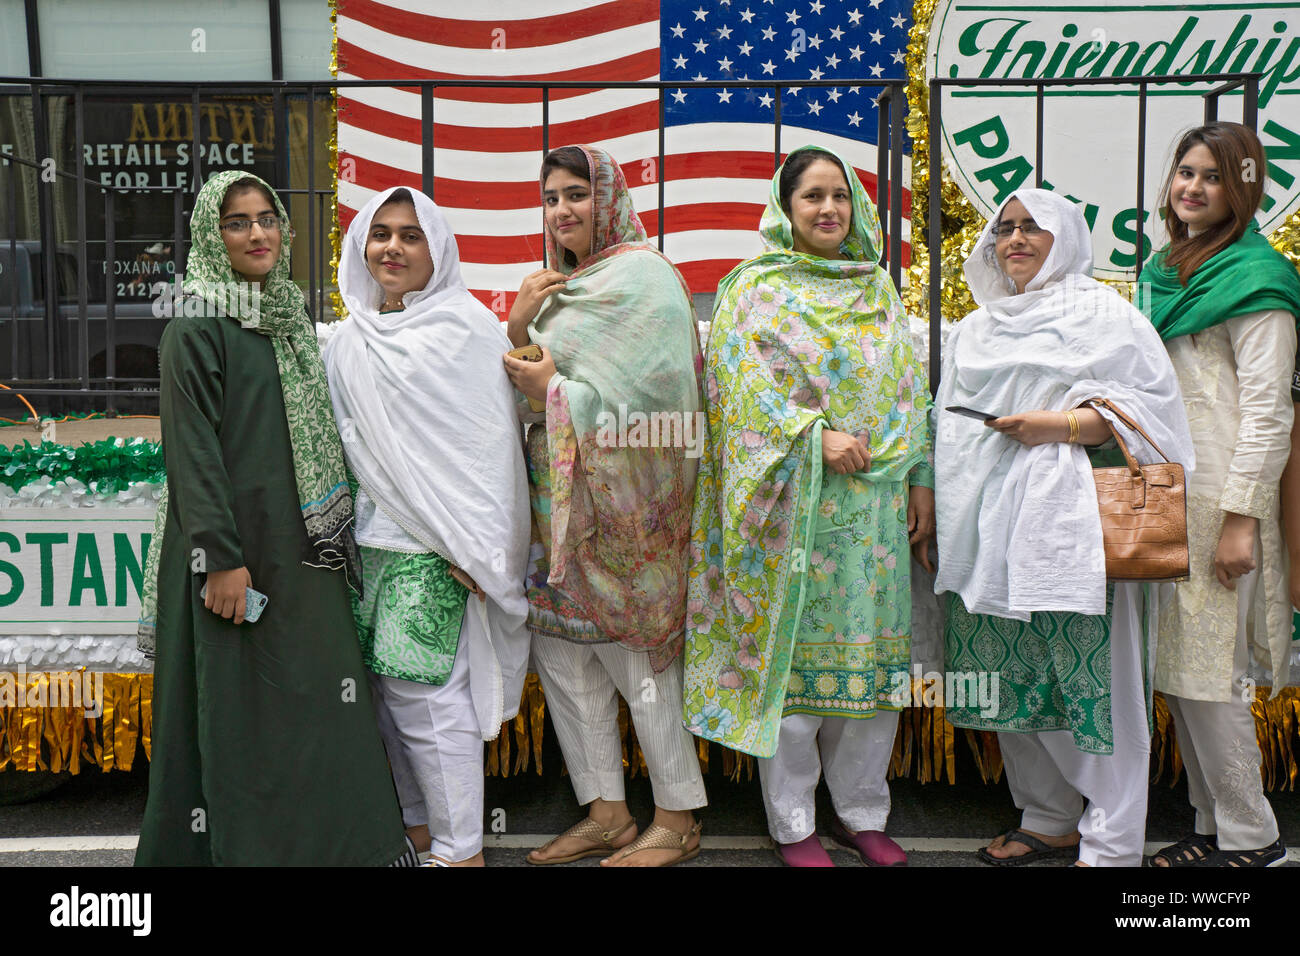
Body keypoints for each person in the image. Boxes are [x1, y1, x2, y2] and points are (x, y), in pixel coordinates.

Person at [135, 171, 412, 866]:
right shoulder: (196, 326)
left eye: (267, 218)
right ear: (210, 235)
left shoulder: (285, 316)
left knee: (318, 700)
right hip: (230, 557)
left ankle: (335, 850)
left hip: (304, 552)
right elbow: (193, 455)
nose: (258, 234)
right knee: (235, 711)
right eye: (237, 222)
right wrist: (221, 559)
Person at [682, 145, 934, 867]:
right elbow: (734, 392)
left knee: (870, 669)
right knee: (793, 669)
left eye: (840, 196)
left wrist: (919, 478)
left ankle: (862, 812)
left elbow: (910, 389)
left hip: (875, 513)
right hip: (792, 509)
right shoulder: (753, 290)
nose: (828, 209)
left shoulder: (877, 286)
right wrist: (810, 439)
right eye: (812, 197)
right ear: (785, 209)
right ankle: (793, 822)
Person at [935, 189, 1194, 868]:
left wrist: (1060, 426)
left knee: (1093, 682)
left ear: (1067, 238)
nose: (1015, 239)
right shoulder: (976, 327)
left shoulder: (1106, 316)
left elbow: (1150, 415)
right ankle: (1048, 816)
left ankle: (1111, 843)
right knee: (1009, 673)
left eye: (1032, 228)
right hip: (985, 530)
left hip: (1071, 528)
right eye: (1006, 228)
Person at [502, 145, 708, 867]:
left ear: (610, 198)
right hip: (557, 511)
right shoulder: (555, 287)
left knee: (639, 667)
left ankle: (679, 818)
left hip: (631, 522)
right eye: (552, 197)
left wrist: (556, 393)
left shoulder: (648, 280)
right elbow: (528, 372)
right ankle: (608, 812)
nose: (563, 210)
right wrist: (520, 322)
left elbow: (661, 402)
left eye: (577, 194)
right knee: (564, 661)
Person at [322, 186, 532, 867]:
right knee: (380, 699)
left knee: (428, 701)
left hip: (433, 551)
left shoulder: (467, 328)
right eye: (380, 233)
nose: (392, 247)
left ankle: (461, 849)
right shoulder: (349, 339)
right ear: (360, 245)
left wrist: (482, 549)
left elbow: (491, 452)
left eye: (410, 235)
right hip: (364, 546)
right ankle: (416, 831)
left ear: (436, 248)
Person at [1140, 122, 1299, 867]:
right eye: (1185, 173)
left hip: (1220, 500)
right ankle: (1211, 826)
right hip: (1168, 489)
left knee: (1209, 676)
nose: (1193, 188)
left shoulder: (1257, 278)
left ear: (1241, 188)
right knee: (1180, 673)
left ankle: (1251, 834)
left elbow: (1270, 410)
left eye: (1212, 177)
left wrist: (1243, 518)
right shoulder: (1167, 268)